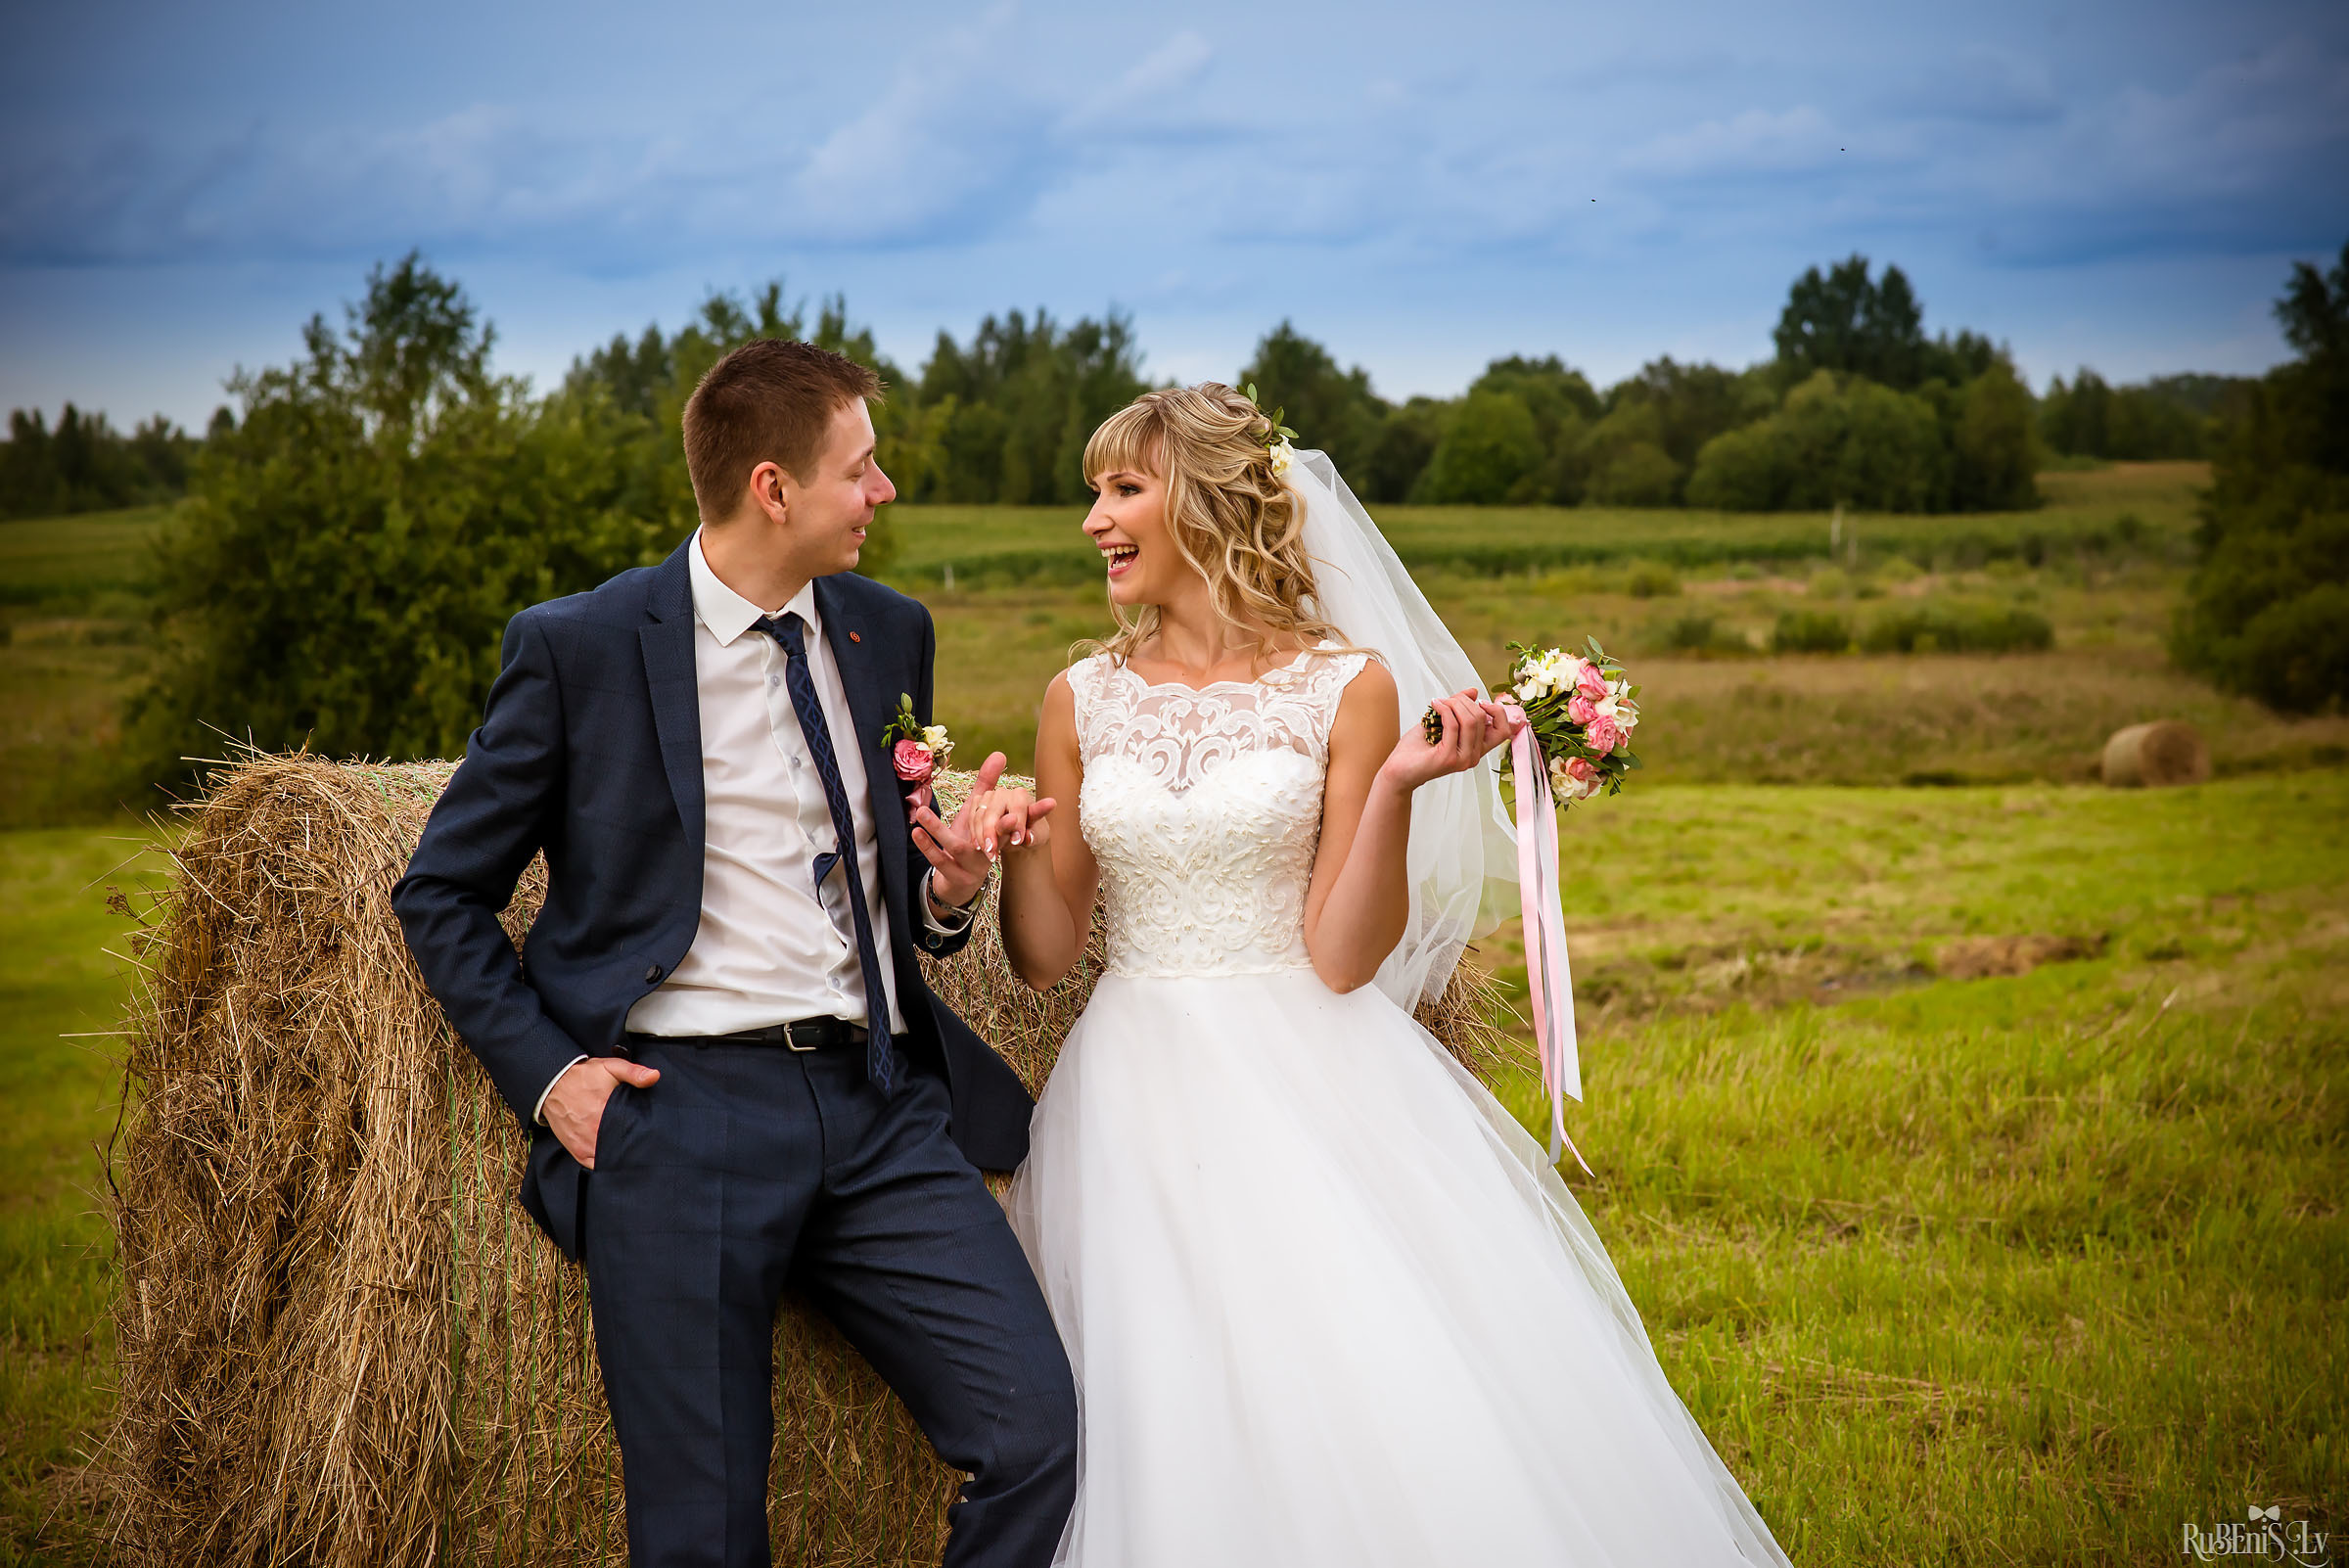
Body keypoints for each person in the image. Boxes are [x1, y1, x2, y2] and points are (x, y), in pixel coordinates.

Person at [961, 384, 1794, 1566]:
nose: (1094, 518)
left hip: (1304, 1066)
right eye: (1095, 490)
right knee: (1166, 1399)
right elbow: (1044, 958)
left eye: (1124, 487)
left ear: (1207, 501)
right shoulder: (1078, 697)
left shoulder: (1345, 686)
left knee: (1344, 1383)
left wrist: (1399, 788)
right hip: (1130, 1085)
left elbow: (1344, 957)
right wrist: (999, 851)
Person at [392, 339, 1078, 1568]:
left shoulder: (885, 632)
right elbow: (441, 890)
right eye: (861, 469)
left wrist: (947, 893)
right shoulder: (580, 647)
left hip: (879, 1110)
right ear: (773, 487)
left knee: (1034, 1433)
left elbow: (881, 889)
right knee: (702, 1532)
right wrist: (556, 1080)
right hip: (679, 1116)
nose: (885, 494)